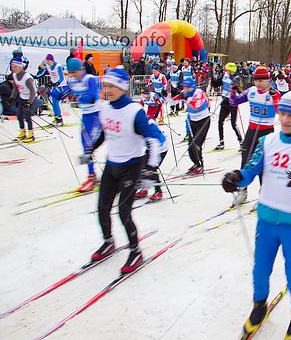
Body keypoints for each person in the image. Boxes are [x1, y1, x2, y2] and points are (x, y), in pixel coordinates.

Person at [221, 90, 291, 339]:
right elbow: (251, 169)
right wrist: (236, 178)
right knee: (260, 269)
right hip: (267, 219)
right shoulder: (267, 141)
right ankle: (259, 306)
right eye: (282, 113)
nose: (285, 119)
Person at [79, 66, 165, 274]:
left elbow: (153, 140)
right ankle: (108, 241)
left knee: (124, 212)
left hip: (131, 166)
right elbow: (102, 132)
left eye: (111, 86)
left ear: (122, 87)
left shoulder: (134, 111)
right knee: (102, 207)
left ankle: (135, 251)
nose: (106, 90)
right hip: (112, 164)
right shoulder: (106, 108)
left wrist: (149, 170)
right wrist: (90, 149)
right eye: (105, 85)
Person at [230, 66, 281, 205]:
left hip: (266, 132)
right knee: (245, 160)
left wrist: (275, 98)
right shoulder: (251, 91)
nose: (259, 82)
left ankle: (264, 195)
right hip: (252, 130)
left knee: (263, 164)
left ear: (268, 80)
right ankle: (242, 191)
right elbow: (234, 102)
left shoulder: (273, 93)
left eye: (262, 80)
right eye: (256, 79)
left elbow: (280, 112)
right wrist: (233, 91)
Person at [67, 58, 102, 192]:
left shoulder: (90, 79)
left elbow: (93, 96)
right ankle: (91, 175)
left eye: (75, 72)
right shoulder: (72, 80)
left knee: (89, 146)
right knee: (84, 145)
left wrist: (80, 97)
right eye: (71, 73)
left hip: (97, 115)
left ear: (81, 69)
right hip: (86, 116)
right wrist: (56, 94)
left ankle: (95, 176)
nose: (73, 75)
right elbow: (67, 92)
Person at [173, 76, 211, 174]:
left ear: (193, 86)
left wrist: (186, 98)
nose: (186, 89)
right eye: (184, 87)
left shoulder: (199, 93)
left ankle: (200, 165)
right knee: (190, 145)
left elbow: (197, 105)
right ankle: (195, 163)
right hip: (193, 121)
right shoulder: (185, 93)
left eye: (188, 87)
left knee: (197, 144)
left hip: (203, 121)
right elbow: (173, 101)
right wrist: (165, 96)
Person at [214, 62, 243, 151]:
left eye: (228, 69)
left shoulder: (237, 78)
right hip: (224, 101)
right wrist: (213, 77)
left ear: (232, 70)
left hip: (233, 103)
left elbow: (241, 91)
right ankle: (221, 142)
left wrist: (236, 88)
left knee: (233, 124)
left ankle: (241, 142)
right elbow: (216, 84)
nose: (226, 70)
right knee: (220, 122)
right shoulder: (224, 75)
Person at [10, 57, 37, 142]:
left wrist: (29, 103)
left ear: (20, 67)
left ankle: (31, 135)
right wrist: (12, 98)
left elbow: (33, 91)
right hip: (22, 97)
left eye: (15, 67)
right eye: (12, 67)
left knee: (27, 115)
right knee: (19, 114)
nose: (13, 69)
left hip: (30, 98)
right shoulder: (14, 75)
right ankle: (22, 132)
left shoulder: (27, 77)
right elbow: (15, 88)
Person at [37, 54, 69, 125]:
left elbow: (61, 77)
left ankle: (59, 119)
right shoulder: (48, 66)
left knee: (56, 102)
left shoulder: (58, 66)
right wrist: (35, 77)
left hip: (61, 86)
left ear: (52, 60)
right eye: (47, 61)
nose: (47, 62)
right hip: (55, 86)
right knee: (54, 102)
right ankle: (57, 118)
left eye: (48, 61)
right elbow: (42, 73)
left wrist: (57, 83)